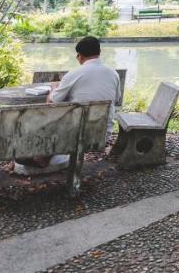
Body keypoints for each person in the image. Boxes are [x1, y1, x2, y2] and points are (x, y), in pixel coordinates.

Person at [16, 36, 121, 175]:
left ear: (79, 56)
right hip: (102, 133)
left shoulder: (74, 74)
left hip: (75, 135)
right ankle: (46, 156)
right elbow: (117, 98)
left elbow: (52, 102)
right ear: (99, 52)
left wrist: (54, 87)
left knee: (52, 117)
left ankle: (42, 157)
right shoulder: (113, 73)